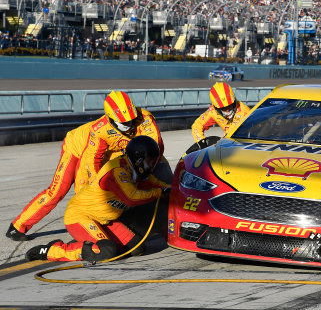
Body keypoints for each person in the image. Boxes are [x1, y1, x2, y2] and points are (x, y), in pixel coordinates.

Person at [6, 90, 172, 241]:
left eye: (132, 120)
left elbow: (157, 149)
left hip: (115, 152)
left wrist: (143, 176)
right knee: (60, 190)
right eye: (124, 124)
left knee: (157, 172)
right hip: (78, 150)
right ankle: (18, 226)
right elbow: (91, 164)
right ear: (111, 120)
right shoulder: (99, 131)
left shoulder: (145, 119)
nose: (130, 126)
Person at [25, 136, 168, 262]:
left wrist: (170, 188)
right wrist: (158, 192)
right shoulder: (117, 171)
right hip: (80, 216)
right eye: (150, 160)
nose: (152, 164)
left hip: (104, 219)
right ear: (139, 159)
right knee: (106, 251)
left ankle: (92, 242)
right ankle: (52, 250)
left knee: (137, 248)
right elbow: (131, 198)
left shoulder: (135, 169)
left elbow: (154, 182)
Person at [190, 82, 250, 150]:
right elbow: (197, 125)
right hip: (230, 146)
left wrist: (218, 145)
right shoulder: (213, 111)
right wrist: (202, 142)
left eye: (229, 106)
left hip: (247, 144)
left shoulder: (244, 111)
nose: (227, 110)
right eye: (223, 108)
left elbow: (230, 134)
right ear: (216, 108)